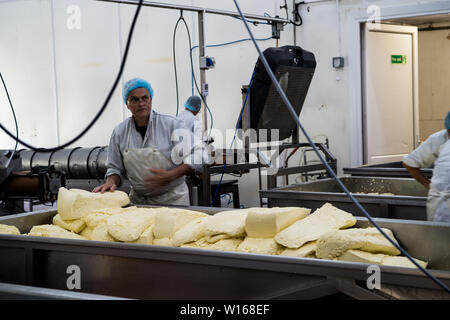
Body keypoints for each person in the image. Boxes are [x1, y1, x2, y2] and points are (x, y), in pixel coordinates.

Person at [93, 78, 204, 206]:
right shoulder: (120, 132)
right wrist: (111, 182)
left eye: (145, 98)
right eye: (134, 99)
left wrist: (171, 175)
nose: (141, 103)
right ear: (127, 104)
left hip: (173, 201)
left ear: (151, 100)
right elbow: (114, 168)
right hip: (139, 203)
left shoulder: (171, 125)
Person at [402, 111, 450, 222]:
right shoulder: (440, 138)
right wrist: (426, 183)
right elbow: (409, 163)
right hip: (441, 205)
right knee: (439, 238)